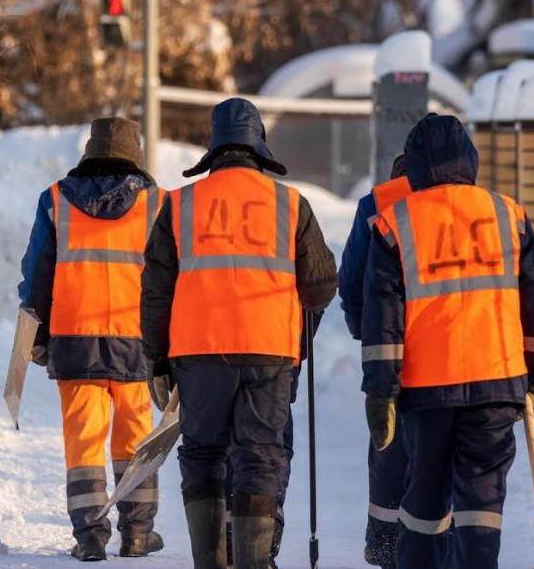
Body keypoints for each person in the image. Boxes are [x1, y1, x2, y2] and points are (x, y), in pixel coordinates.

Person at [140, 98, 338, 569]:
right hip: (269, 352)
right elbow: (321, 283)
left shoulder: (179, 205)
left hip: (198, 350)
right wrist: (298, 334)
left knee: (204, 452)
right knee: (259, 456)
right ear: (259, 146)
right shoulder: (291, 204)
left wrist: (156, 359)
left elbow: (155, 289)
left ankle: (210, 563)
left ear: (214, 147)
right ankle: (252, 561)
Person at [361, 114, 534, 569]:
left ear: (414, 165)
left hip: (427, 390)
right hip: (497, 381)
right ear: (470, 158)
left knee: (424, 499)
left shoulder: (394, 224)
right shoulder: (509, 215)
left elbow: (383, 322)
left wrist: (381, 392)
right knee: (481, 504)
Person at [18, 117, 166, 561]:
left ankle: (89, 537)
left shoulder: (56, 200)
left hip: (74, 338)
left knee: (83, 442)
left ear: (89, 152)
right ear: (135, 156)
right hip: (135, 339)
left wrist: (36, 334)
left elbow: (36, 274)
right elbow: (169, 277)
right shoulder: (157, 204)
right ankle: (137, 533)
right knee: (136, 438)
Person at [338, 153, 412, 568]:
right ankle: (441, 537)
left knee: (389, 444)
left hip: (390, 350)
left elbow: (351, 279)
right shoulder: (468, 202)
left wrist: (363, 329)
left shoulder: (378, 204)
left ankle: (385, 544)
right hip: (457, 351)